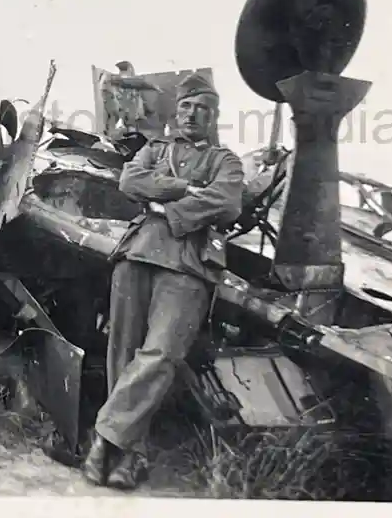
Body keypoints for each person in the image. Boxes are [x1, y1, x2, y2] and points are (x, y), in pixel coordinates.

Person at [82, 71, 245, 490]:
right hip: (137, 253)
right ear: (177, 112)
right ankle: (128, 458)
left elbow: (226, 203)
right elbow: (130, 180)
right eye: (187, 107)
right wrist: (188, 188)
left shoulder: (226, 162)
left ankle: (103, 441)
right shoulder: (155, 148)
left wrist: (168, 208)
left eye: (202, 109)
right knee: (123, 353)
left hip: (189, 267)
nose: (193, 115)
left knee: (160, 357)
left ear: (214, 117)